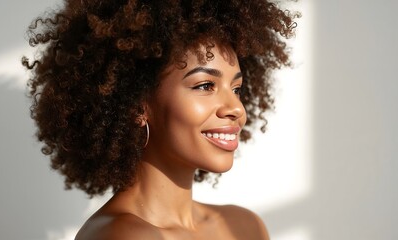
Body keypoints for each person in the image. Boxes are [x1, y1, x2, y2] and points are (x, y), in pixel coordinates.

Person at [23, 0, 297, 239]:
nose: (235, 108)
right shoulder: (121, 236)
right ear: (136, 104)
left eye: (236, 89)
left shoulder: (245, 227)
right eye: (205, 86)